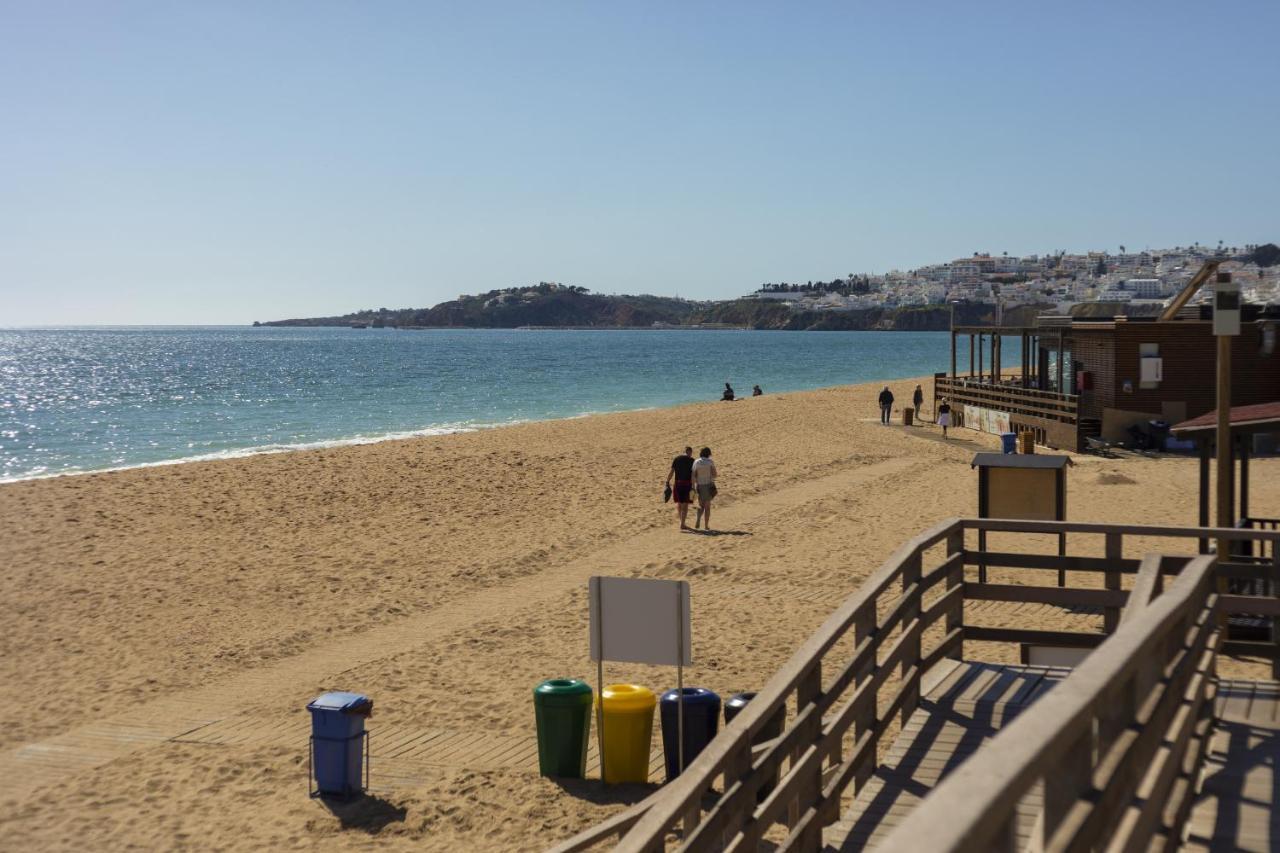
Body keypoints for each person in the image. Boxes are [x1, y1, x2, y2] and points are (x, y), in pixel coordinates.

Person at [666, 447, 696, 529]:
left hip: (678, 484)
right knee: (685, 504)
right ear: (689, 452)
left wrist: (667, 482)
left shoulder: (677, 459)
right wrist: (693, 486)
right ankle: (682, 524)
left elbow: (671, 472)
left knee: (679, 503)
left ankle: (681, 522)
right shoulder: (692, 460)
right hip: (687, 484)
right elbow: (693, 475)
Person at [692, 447, 717, 531]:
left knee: (701, 505)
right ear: (708, 454)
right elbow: (714, 474)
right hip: (708, 485)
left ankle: (698, 518)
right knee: (707, 507)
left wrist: (694, 486)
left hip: (699, 485)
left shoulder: (696, 462)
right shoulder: (710, 462)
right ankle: (706, 525)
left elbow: (694, 475)